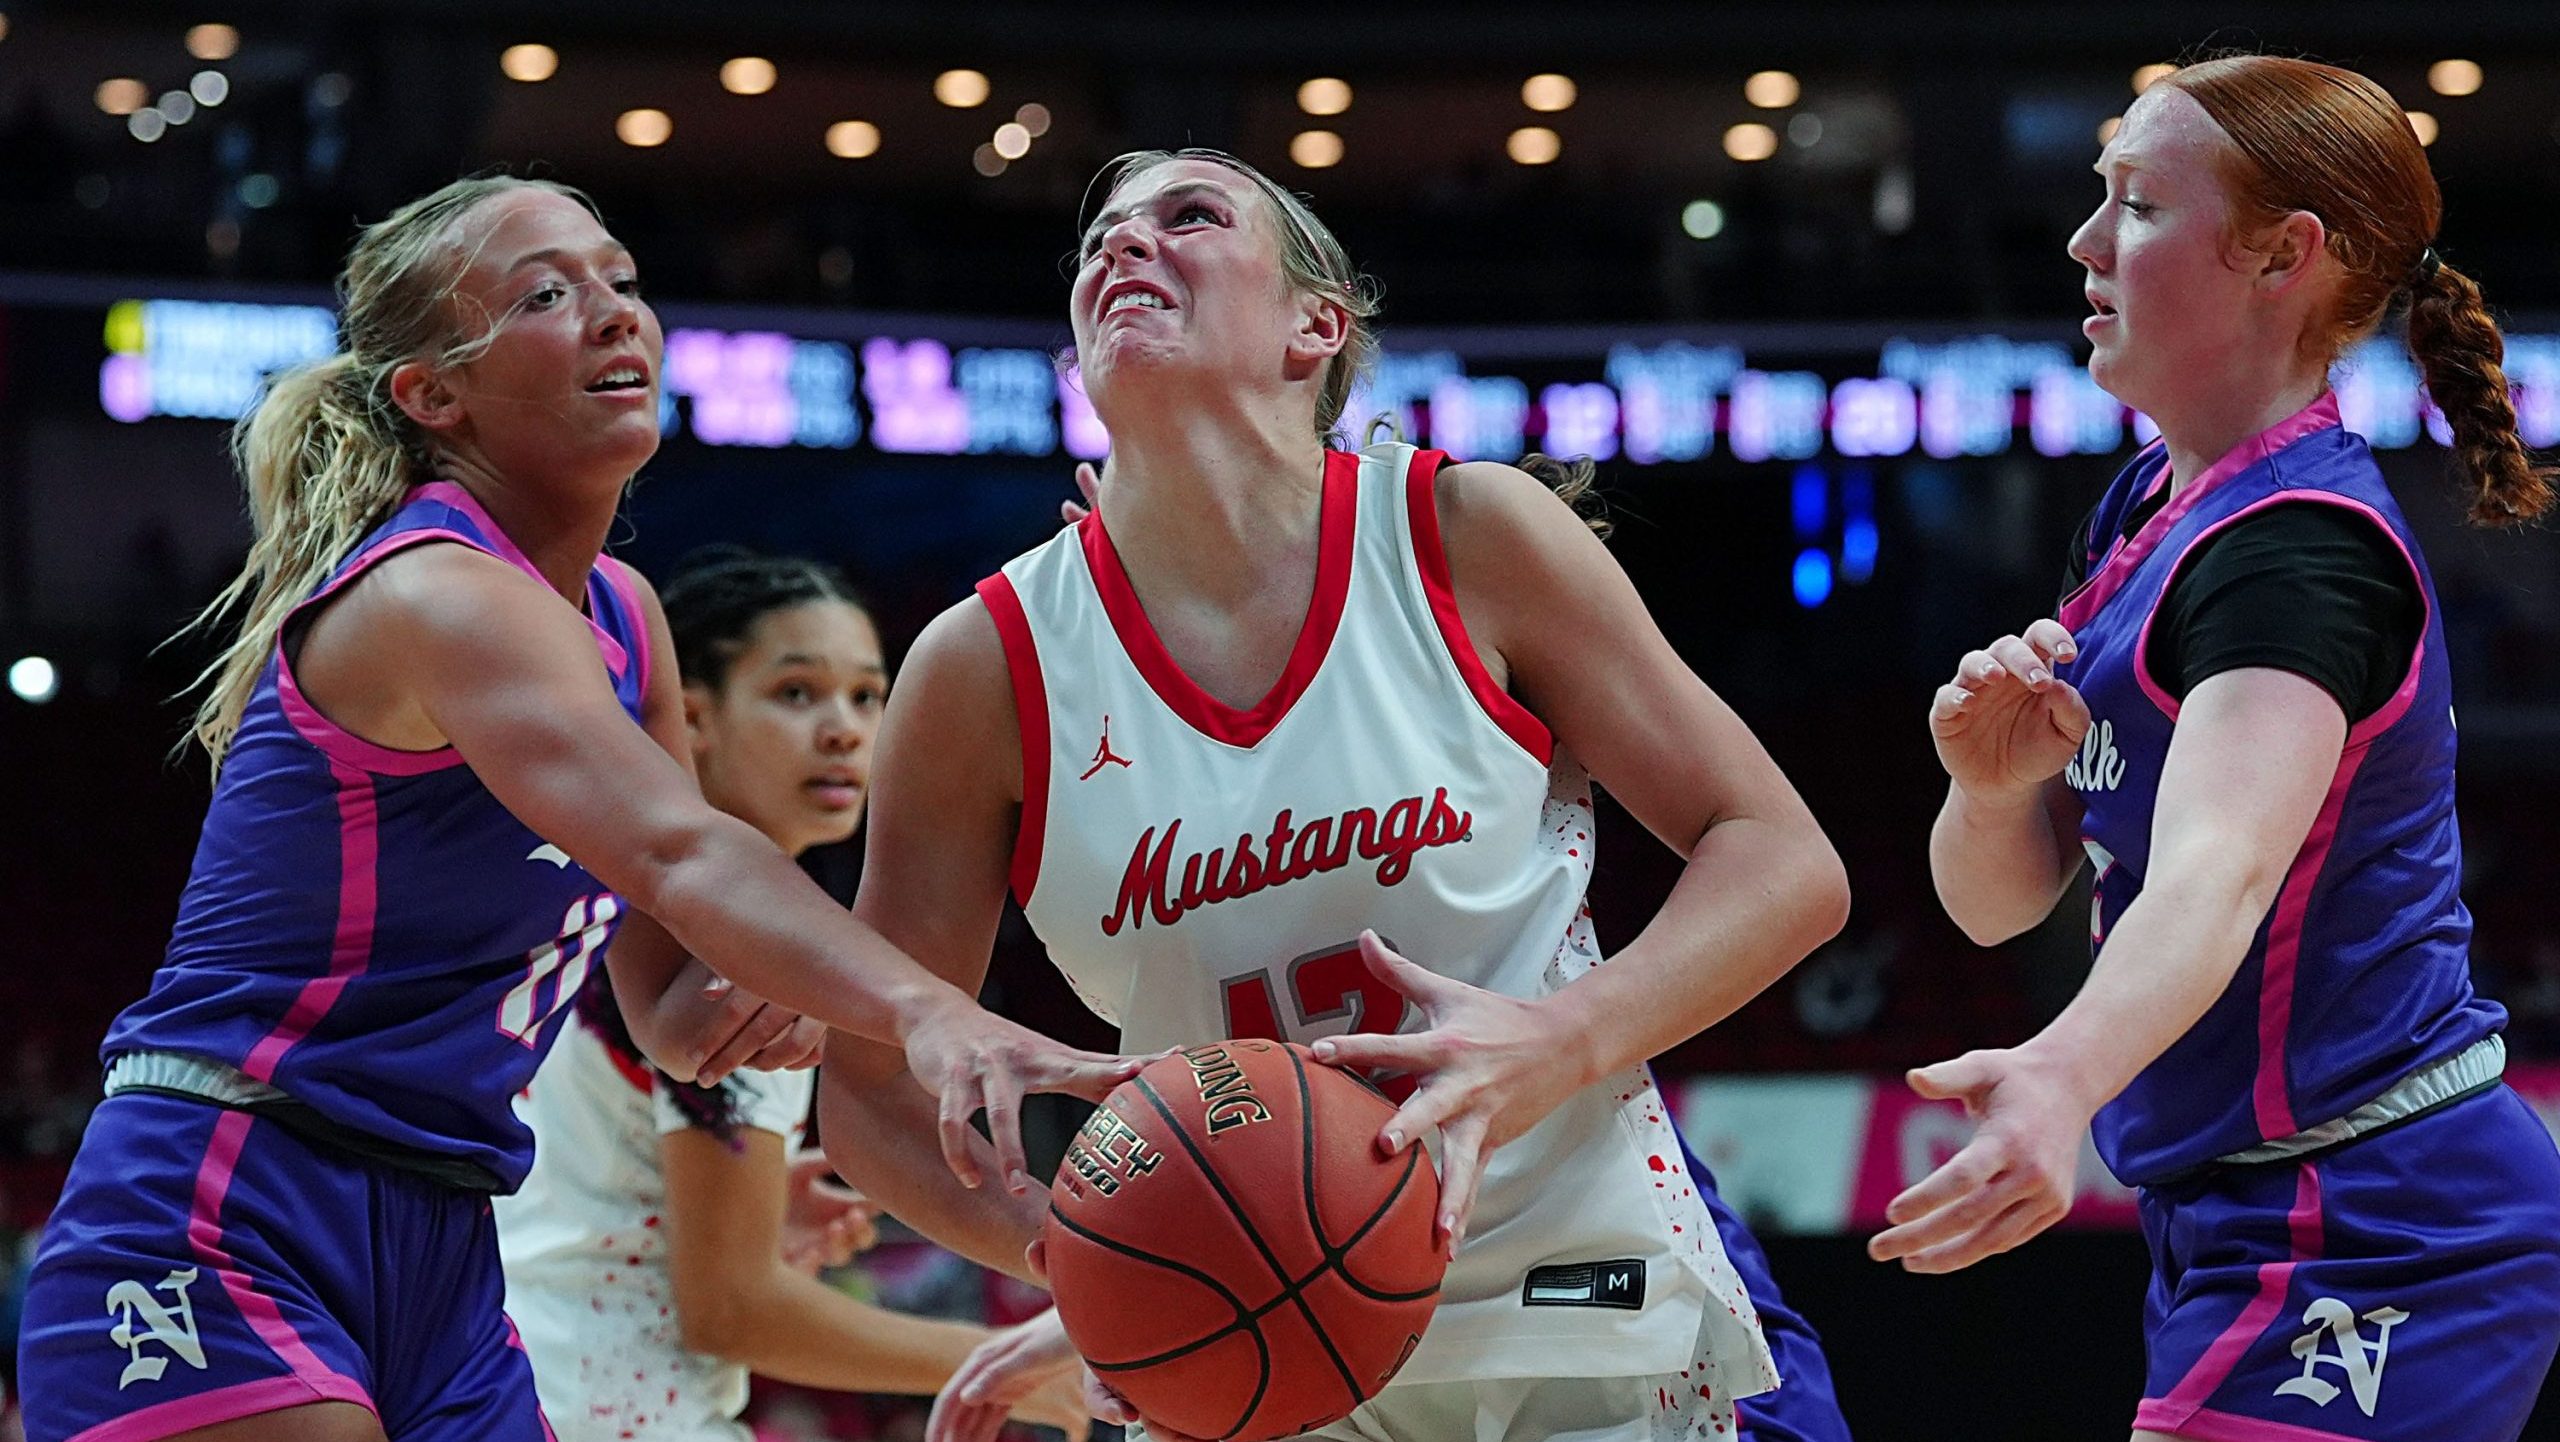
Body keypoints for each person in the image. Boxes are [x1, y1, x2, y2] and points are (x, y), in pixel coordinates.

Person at [15, 177, 1131, 1442]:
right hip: (227, 1189)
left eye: (621, 281)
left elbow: (661, 996)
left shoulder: (625, 614)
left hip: (443, 1227)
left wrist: (753, 1004)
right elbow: (681, 844)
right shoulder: (435, 591)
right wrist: (932, 1012)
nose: (614, 316)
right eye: (547, 294)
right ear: (433, 395)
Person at [816, 147, 1852, 1442]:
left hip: (1580, 1286)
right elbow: (862, 1092)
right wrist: (1083, 1254)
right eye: (1098, 240)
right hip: (1248, 1366)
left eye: (1188, 218)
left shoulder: (1468, 535)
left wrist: (1567, 1035)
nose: (1122, 248)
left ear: (1320, 324)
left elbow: (1781, 856)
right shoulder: (983, 665)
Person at [1875, 55, 2560, 1442]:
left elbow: (2218, 872)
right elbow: (2002, 898)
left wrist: (2062, 1074)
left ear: (2282, 257)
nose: (2081, 242)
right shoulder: (2146, 503)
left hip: (2383, 1213)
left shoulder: (2299, 551)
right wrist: (1988, 787)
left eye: (2133, 205)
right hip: (2236, 1208)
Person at [497, 551, 1090, 1442]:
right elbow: (734, 1311)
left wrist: (741, 1209)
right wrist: (1000, 1362)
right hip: (614, 1410)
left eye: (867, 695)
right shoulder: (751, 952)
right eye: (796, 693)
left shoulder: (612, 891)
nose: (845, 730)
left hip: (520, 1379)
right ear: (690, 718)